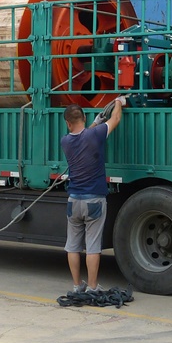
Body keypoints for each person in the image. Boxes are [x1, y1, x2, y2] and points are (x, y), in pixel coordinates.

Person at [61, 96, 125, 294]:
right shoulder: (95, 135)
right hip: (94, 200)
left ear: (68, 123)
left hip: (74, 201)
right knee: (93, 247)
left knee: (72, 246)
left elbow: (82, 137)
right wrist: (118, 102)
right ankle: (93, 287)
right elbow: (115, 119)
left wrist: (96, 123)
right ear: (83, 117)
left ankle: (77, 285)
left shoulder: (65, 141)